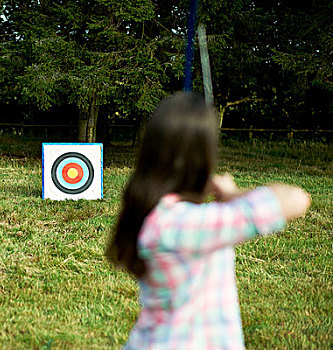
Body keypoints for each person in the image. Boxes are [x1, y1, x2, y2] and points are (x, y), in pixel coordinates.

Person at [106, 92, 310, 349]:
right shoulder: (186, 224)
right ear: (201, 159)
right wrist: (232, 193)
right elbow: (296, 199)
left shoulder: (152, 210)